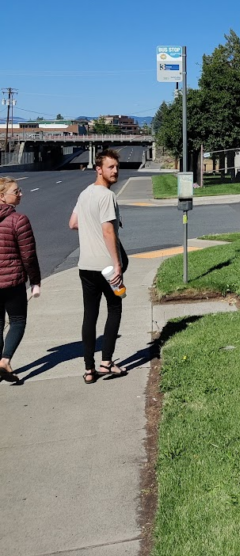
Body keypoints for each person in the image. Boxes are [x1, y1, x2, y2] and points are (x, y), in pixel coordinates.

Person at [69, 149, 128, 384]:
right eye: (110, 167)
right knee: (114, 309)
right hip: (106, 267)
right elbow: (107, 230)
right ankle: (106, 362)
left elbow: (73, 223)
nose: (115, 171)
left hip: (85, 266)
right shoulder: (106, 196)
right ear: (99, 169)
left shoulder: (84, 194)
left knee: (89, 316)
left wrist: (89, 225)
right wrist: (117, 264)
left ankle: (88, 369)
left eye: (116, 167)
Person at [0, 177, 41, 384]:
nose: (20, 194)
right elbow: (28, 256)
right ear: (2, 196)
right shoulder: (18, 220)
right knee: (17, 321)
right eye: (16, 191)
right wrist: (35, 281)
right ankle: (5, 360)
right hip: (12, 282)